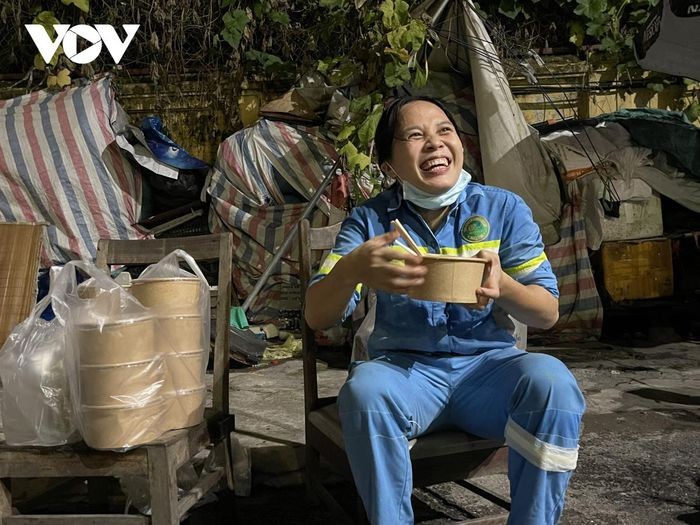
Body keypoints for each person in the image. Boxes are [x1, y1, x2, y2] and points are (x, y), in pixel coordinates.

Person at [304, 95, 585, 525]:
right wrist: (350, 271)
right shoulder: (371, 221)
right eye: (415, 136)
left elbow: (546, 312)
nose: (435, 143)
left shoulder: (503, 210)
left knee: (554, 385)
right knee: (365, 392)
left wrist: (503, 285)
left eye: (444, 131)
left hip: (489, 372)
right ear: (389, 165)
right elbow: (317, 316)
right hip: (405, 375)